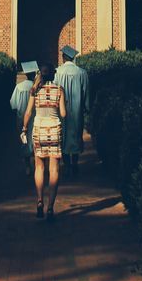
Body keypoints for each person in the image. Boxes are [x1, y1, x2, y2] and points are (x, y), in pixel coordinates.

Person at [22, 62, 66, 221]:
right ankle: (50, 208)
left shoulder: (34, 90)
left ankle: (39, 200)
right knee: (54, 170)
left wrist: (24, 129)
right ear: (54, 74)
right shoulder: (59, 90)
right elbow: (64, 113)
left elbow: (28, 112)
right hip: (54, 130)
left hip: (39, 130)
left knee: (39, 167)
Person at [54, 44, 90, 175]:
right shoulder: (82, 73)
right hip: (77, 110)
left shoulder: (58, 72)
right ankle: (74, 164)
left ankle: (67, 165)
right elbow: (86, 92)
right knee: (76, 136)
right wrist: (86, 107)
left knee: (62, 137)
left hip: (60, 110)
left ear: (64, 57)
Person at [9, 61, 36, 175]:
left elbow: (13, 104)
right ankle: (36, 164)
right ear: (34, 74)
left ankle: (27, 166)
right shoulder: (36, 87)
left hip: (21, 119)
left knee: (24, 141)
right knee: (35, 141)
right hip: (34, 118)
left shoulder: (19, 87)